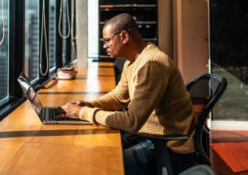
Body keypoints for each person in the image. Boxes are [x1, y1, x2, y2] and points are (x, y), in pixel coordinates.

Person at [60, 13, 199, 174]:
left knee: (106, 163)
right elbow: (119, 97)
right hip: (148, 134)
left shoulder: (151, 64)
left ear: (124, 36)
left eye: (107, 41)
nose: (105, 46)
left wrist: (82, 113)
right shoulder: (132, 62)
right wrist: (90, 105)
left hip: (168, 145)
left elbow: (132, 122)